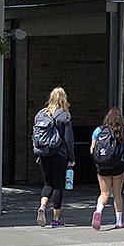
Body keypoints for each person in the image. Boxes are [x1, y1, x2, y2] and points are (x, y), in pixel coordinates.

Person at [34, 87, 75, 228]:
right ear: (64, 99)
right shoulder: (64, 116)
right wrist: (71, 157)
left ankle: (42, 207)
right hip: (60, 154)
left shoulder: (40, 114)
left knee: (47, 184)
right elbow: (68, 139)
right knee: (58, 186)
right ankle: (56, 220)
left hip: (44, 153)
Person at [90, 106, 124, 230]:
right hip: (118, 166)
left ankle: (98, 211)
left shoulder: (98, 131)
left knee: (104, 193)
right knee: (117, 194)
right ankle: (119, 221)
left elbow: (92, 150)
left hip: (102, 167)